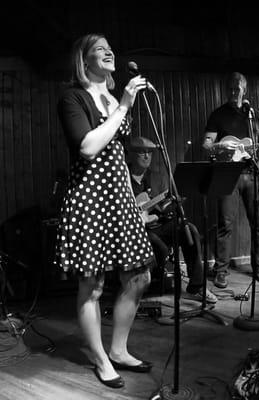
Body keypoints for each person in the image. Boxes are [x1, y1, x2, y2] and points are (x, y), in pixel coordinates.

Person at [55, 33, 155, 389]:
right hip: (90, 200)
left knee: (139, 276)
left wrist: (133, 202)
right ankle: (100, 360)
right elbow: (88, 146)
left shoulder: (112, 96)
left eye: (110, 47)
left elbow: (118, 158)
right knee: (93, 284)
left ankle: (118, 349)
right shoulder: (73, 97)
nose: (109, 51)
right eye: (99, 49)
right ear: (84, 60)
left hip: (120, 199)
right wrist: (124, 106)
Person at [127, 136, 218, 304]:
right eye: (142, 153)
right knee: (158, 245)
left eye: (150, 152)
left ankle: (197, 287)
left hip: (155, 225)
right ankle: (142, 288)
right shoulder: (123, 180)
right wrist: (141, 218)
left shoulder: (152, 177)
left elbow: (157, 208)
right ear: (131, 155)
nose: (147, 156)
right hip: (135, 231)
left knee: (188, 228)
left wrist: (168, 203)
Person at [203, 72, 259, 289]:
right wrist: (219, 146)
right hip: (227, 176)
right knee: (225, 224)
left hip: (252, 174)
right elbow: (206, 145)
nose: (233, 93)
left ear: (245, 90)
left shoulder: (255, 115)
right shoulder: (217, 115)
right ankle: (221, 271)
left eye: (237, 89)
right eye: (230, 89)